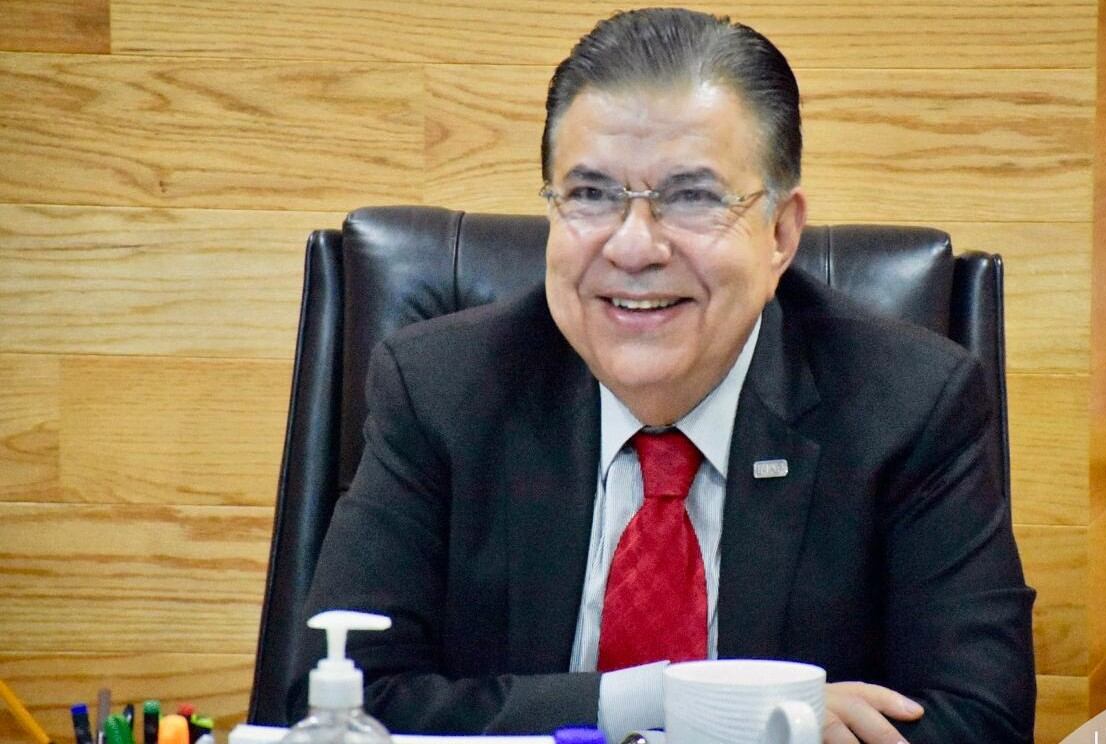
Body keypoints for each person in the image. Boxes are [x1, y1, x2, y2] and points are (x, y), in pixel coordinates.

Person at [291, 8, 1036, 743]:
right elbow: (339, 698)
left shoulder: (908, 406)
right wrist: (672, 703)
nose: (634, 247)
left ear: (780, 233)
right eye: (590, 195)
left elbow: (981, 719)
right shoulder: (441, 390)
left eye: (692, 197)